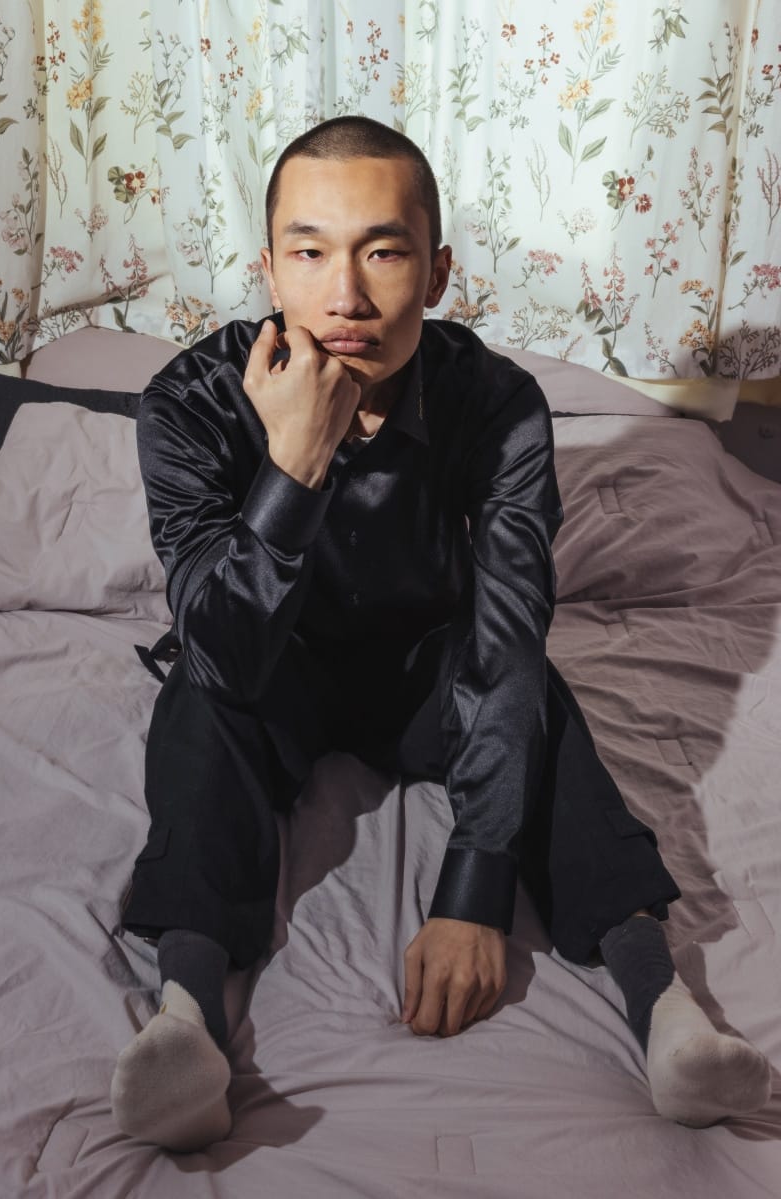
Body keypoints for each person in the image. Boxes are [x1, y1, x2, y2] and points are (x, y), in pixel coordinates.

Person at [110, 116, 771, 1152]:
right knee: (199, 696)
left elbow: (508, 629)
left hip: (431, 664)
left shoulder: (495, 401)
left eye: (382, 252)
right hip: (272, 663)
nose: (345, 295)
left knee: (535, 693)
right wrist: (295, 463)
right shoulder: (188, 402)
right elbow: (225, 648)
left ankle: (666, 1010)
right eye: (309, 253)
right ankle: (185, 1022)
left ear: (437, 272)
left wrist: (475, 888)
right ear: (268, 269)